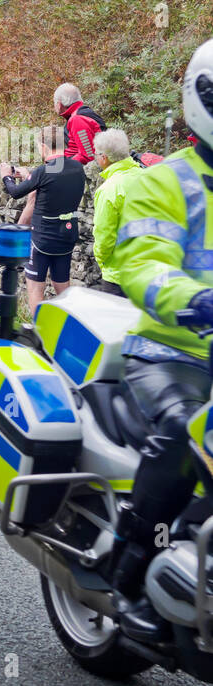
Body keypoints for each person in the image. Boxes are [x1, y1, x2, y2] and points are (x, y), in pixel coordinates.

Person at [105, 37, 213, 642]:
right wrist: (194, 298)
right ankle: (130, 568)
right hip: (171, 354)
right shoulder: (164, 183)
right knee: (184, 431)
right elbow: (143, 263)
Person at [0, 127, 86, 315]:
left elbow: (15, 192)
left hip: (42, 240)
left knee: (36, 289)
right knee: (63, 287)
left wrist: (6, 175)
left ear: (44, 146)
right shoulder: (78, 168)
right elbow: (53, 182)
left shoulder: (42, 172)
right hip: (67, 236)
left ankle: (40, 334)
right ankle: (68, 330)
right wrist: (30, 176)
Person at [91, 129, 144, 297]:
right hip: (148, 271)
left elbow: (104, 237)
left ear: (104, 158)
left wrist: (103, 261)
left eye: (96, 154)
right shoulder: (147, 177)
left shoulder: (109, 190)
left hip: (119, 276)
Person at [54, 83, 107, 165]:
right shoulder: (83, 112)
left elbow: (88, 156)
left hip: (89, 169)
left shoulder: (78, 119)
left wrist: (64, 165)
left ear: (59, 104)